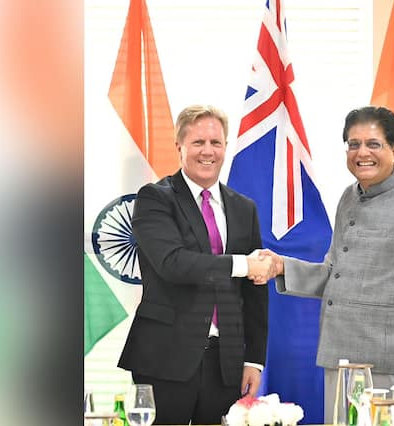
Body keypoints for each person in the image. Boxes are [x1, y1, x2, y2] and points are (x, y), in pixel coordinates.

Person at [258, 106, 394, 422]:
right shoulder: (348, 198)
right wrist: (282, 266)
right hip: (340, 364)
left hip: (392, 372)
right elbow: (335, 275)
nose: (362, 153)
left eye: (374, 144)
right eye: (354, 144)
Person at [118, 104, 274, 425]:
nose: (208, 151)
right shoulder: (155, 198)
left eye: (215, 143)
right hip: (164, 358)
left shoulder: (244, 208)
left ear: (225, 147)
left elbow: (255, 292)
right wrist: (243, 265)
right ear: (180, 147)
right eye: (198, 142)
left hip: (225, 364)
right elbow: (173, 263)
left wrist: (254, 360)